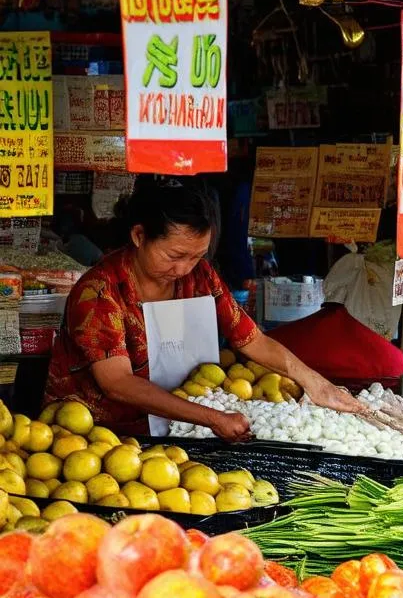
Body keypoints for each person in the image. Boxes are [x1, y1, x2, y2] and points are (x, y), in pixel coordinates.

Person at [45, 176, 368, 439]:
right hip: (92, 441)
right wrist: (210, 417)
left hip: (170, 434)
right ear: (139, 236)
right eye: (175, 256)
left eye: (196, 256)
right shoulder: (99, 293)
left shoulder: (200, 277)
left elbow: (250, 338)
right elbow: (117, 382)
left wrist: (316, 383)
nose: (185, 268)